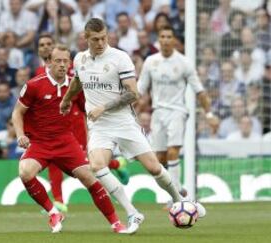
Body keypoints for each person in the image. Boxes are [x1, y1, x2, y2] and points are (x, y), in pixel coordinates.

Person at [60, 18, 206, 234]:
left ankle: (181, 200)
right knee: (97, 166)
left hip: (124, 123)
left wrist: (103, 107)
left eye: (104, 38)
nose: (101, 43)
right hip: (99, 126)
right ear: (86, 38)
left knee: (155, 168)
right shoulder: (80, 59)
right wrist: (67, 99)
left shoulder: (120, 58)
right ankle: (132, 212)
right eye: (95, 39)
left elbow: (133, 94)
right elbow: (78, 82)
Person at [12, 44, 128, 234]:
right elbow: (17, 113)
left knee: (91, 178)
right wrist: (20, 135)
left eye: (66, 61)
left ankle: (116, 223)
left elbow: (88, 111)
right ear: (49, 62)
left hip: (66, 142)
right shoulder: (34, 85)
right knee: (25, 172)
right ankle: (53, 212)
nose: (62, 65)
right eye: (58, 61)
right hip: (40, 142)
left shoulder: (75, 85)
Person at [137, 26, 216, 200]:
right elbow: (140, 89)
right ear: (158, 40)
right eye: (162, 36)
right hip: (157, 112)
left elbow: (199, 91)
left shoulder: (184, 63)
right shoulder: (151, 61)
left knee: (173, 152)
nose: (165, 40)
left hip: (177, 111)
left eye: (169, 36)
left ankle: (176, 197)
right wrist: (131, 108)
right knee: (159, 159)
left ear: (174, 40)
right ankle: (175, 189)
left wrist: (209, 115)